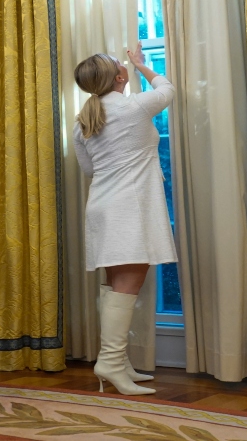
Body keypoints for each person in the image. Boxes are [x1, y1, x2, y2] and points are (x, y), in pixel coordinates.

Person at [72, 46, 176, 396]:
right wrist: (142, 65)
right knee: (128, 285)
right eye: (122, 65)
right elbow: (167, 89)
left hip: (103, 208)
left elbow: (89, 169)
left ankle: (117, 362)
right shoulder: (133, 107)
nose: (125, 66)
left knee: (115, 286)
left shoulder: (83, 120)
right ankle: (111, 363)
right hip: (129, 208)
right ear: (119, 77)